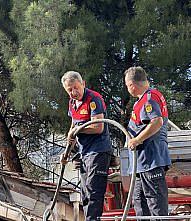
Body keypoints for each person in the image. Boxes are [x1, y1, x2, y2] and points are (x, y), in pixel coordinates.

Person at [60, 71, 112, 221]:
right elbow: (73, 127)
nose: (74, 92)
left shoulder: (93, 98)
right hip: (84, 152)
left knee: (93, 190)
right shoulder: (72, 103)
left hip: (98, 150)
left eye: (76, 87)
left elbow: (98, 127)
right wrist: (66, 152)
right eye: (69, 90)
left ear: (83, 83)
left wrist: (78, 130)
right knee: (85, 192)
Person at [124, 66, 171, 217]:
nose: (127, 89)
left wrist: (136, 139)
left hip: (150, 161)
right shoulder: (145, 99)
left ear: (132, 85)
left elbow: (156, 122)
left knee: (155, 203)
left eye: (127, 86)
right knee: (140, 202)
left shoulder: (148, 99)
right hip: (142, 164)